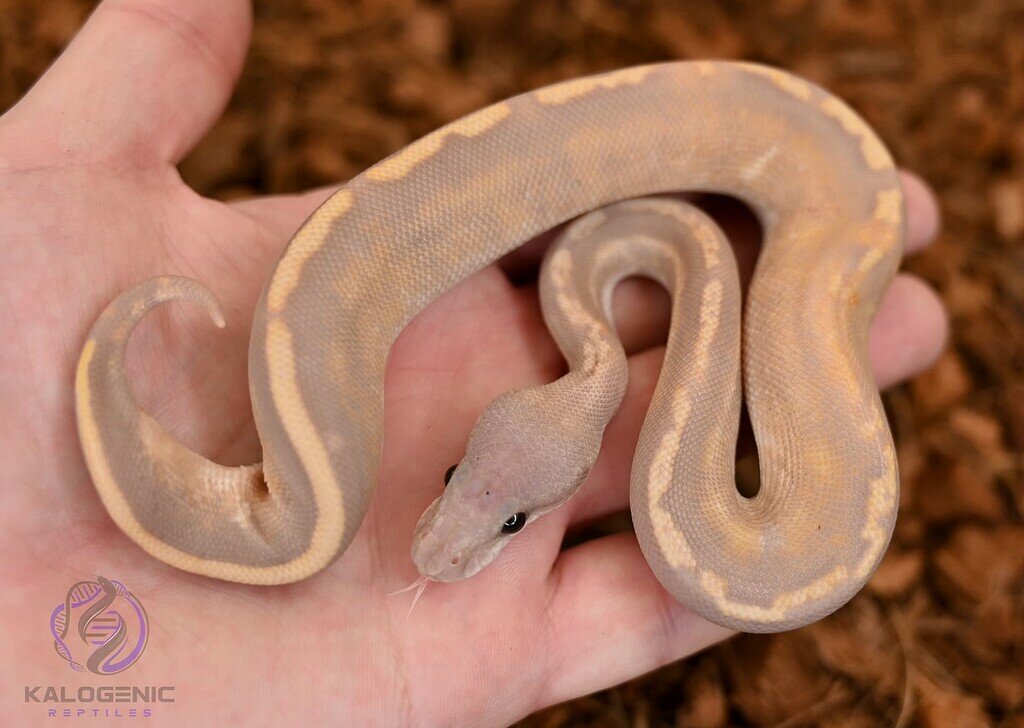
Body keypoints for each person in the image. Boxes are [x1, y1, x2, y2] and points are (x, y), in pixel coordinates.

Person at [0, 1, 947, 725]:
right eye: (465, 483)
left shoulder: (645, 308)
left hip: (821, 176)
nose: (447, 542)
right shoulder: (600, 297)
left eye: (510, 519)